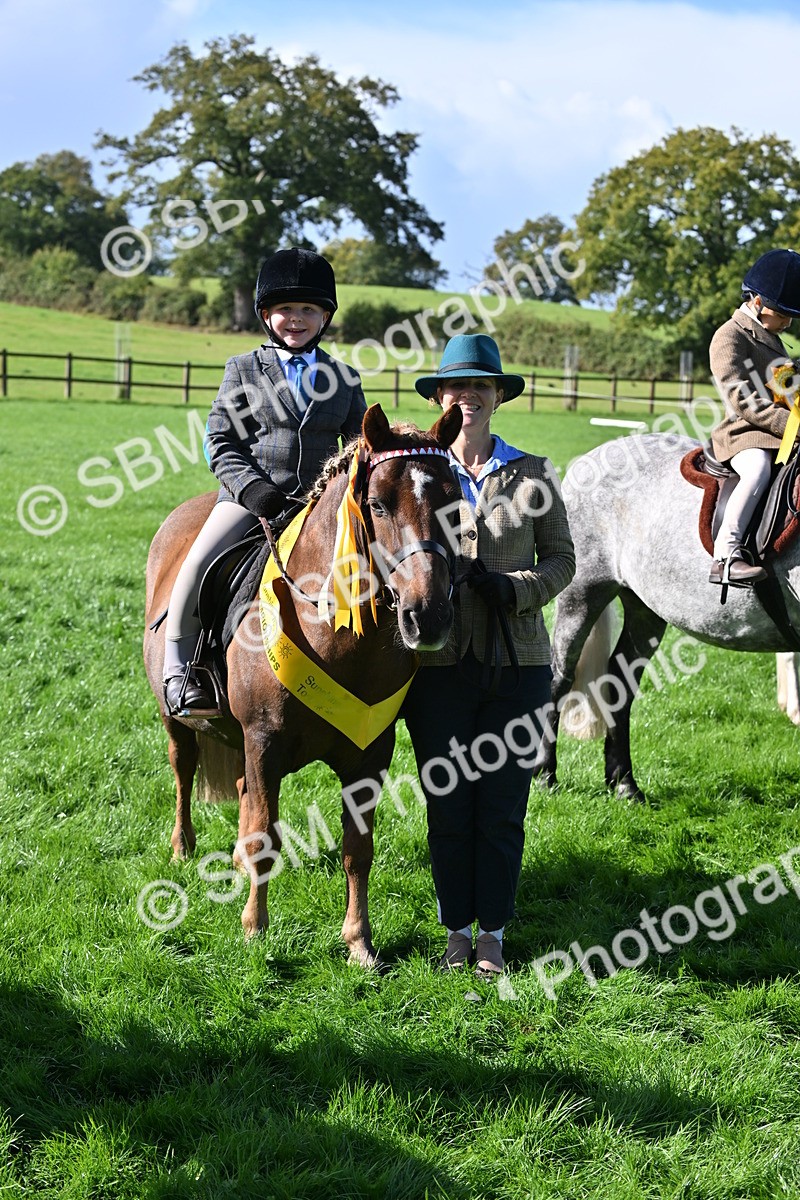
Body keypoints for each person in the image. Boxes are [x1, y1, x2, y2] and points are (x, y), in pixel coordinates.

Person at [401, 334, 575, 977]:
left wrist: (515, 588)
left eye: (480, 385)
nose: (467, 395)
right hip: (439, 666)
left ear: (498, 395)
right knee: (448, 808)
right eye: (455, 386)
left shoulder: (532, 473)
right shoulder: (421, 471)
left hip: (519, 663)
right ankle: (454, 930)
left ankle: (494, 934)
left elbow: (563, 560)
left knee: (502, 808)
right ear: (440, 398)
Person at [163, 247, 366, 715]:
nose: (296, 319)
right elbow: (219, 439)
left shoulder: (344, 377)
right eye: (286, 309)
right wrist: (255, 491)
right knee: (198, 564)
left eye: (308, 310)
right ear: (265, 314)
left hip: (319, 507)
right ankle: (180, 669)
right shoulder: (243, 370)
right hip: (250, 498)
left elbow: (360, 445)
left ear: (325, 317)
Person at [708, 248, 800, 586]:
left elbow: (789, 388)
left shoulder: (773, 339)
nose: (788, 321)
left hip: (784, 433)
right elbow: (740, 398)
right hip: (745, 434)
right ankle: (726, 556)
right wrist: (791, 425)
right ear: (758, 301)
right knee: (758, 470)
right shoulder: (729, 335)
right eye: (783, 313)